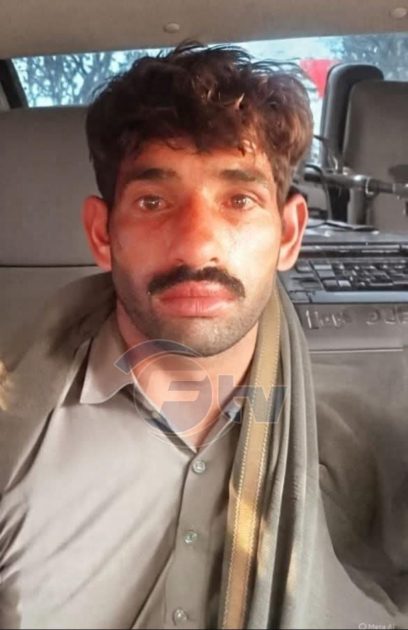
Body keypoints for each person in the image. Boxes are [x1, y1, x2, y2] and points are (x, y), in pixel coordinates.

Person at [0, 43, 407, 630]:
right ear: (102, 234)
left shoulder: (372, 440)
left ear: (289, 235)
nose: (196, 245)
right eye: (153, 202)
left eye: (239, 200)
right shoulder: (17, 437)